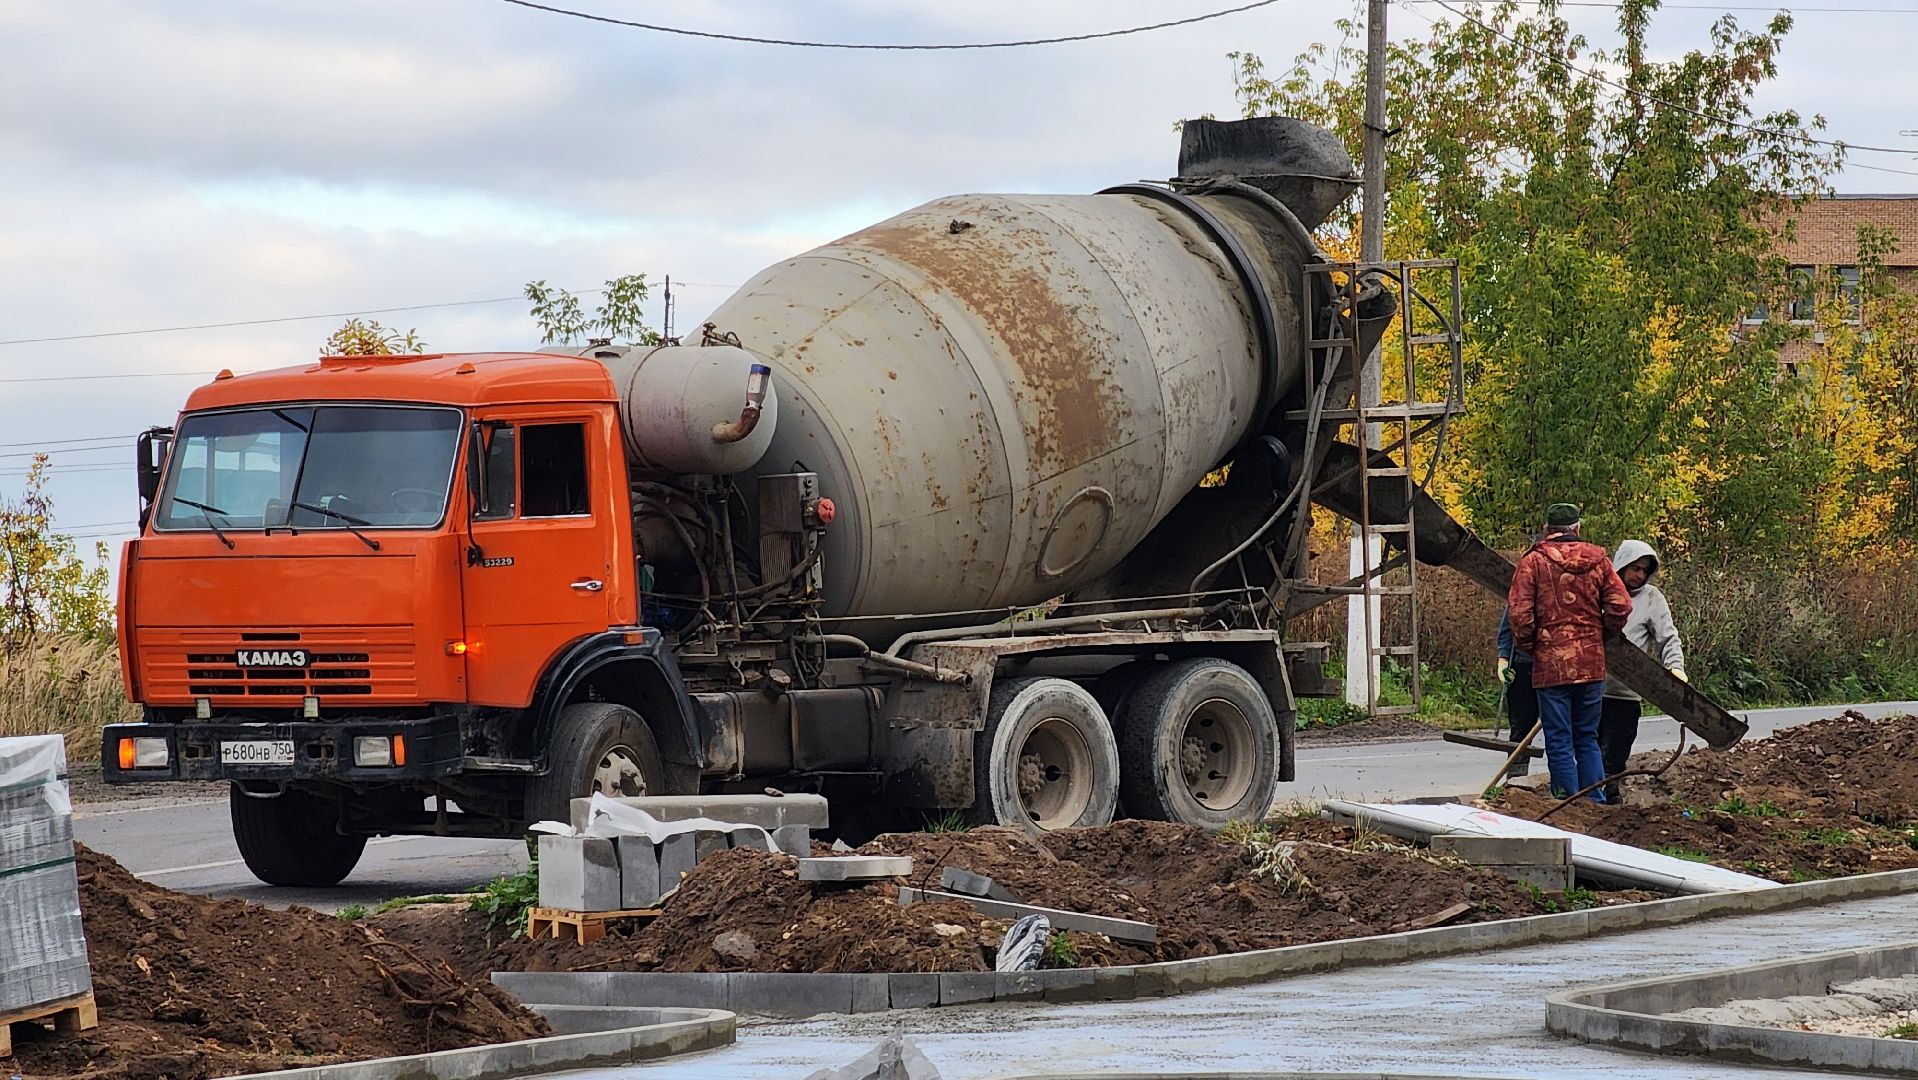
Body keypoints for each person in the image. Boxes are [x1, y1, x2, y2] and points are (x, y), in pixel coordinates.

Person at [1506, 503, 1633, 802]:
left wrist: (1532, 646)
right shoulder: (1599, 560)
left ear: (1547, 529)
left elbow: (1519, 615)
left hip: (1550, 665)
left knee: (1559, 738)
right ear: (1577, 528)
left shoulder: (1533, 562)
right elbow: (1621, 605)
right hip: (1590, 662)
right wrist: (1600, 634)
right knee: (1587, 737)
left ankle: (1567, 802)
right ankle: (1594, 801)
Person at [1599, 539, 1688, 804]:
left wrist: (1675, 667)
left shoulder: (1651, 598)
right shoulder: (1600, 590)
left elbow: (1667, 638)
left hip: (1625, 694)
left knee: (1616, 753)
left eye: (1644, 570)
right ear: (1622, 565)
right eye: (1635, 568)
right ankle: (1584, 799)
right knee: (1586, 749)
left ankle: (1610, 799)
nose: (1639, 575)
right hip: (1590, 688)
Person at [1495, 607, 1538, 777]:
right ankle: (1516, 781)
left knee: (1560, 733)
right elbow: (1509, 624)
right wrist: (1503, 659)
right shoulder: (1521, 594)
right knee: (1521, 730)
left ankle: (1563, 785)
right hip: (1523, 667)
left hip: (1558, 670)